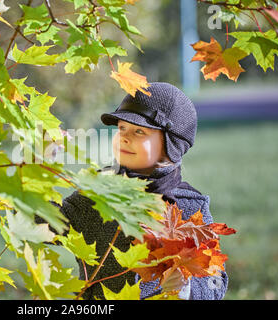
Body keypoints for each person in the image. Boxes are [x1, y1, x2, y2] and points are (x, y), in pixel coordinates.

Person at [47, 82, 228, 300]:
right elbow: (46, 225)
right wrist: (35, 174)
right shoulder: (96, 193)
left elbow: (215, 279)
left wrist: (186, 289)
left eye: (139, 131)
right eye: (121, 128)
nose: (124, 136)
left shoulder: (190, 207)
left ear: (171, 145)